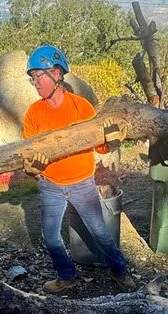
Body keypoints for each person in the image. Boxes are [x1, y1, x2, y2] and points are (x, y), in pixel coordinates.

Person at [21, 45, 138, 293]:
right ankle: (67, 275)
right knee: (51, 238)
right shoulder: (34, 112)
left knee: (100, 233)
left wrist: (111, 142)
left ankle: (119, 270)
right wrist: (32, 168)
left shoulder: (81, 107)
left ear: (55, 73)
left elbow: (101, 148)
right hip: (51, 185)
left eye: (37, 76)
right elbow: (29, 153)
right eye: (32, 78)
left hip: (82, 184)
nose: (35, 83)